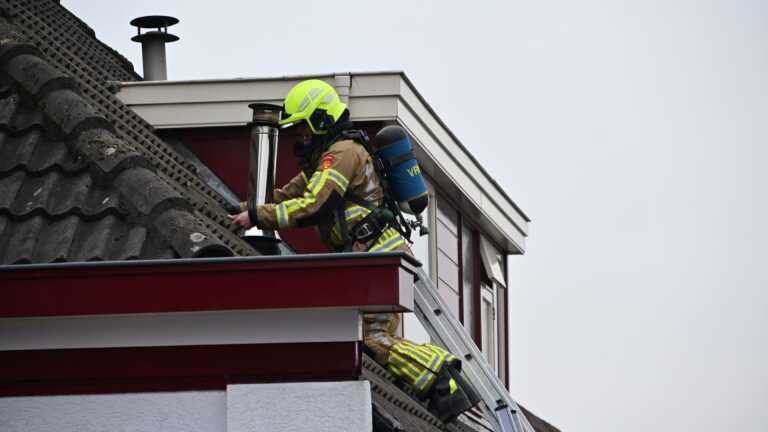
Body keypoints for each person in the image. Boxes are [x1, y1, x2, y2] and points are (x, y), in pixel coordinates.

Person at [229, 79, 479, 422]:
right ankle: (440, 387)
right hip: (372, 257)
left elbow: (316, 203)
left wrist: (258, 215)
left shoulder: (342, 153)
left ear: (320, 119)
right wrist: (244, 207)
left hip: (377, 257)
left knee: (374, 338)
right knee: (369, 338)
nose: (299, 135)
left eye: (302, 126)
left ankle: (443, 380)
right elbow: (287, 196)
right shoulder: (327, 157)